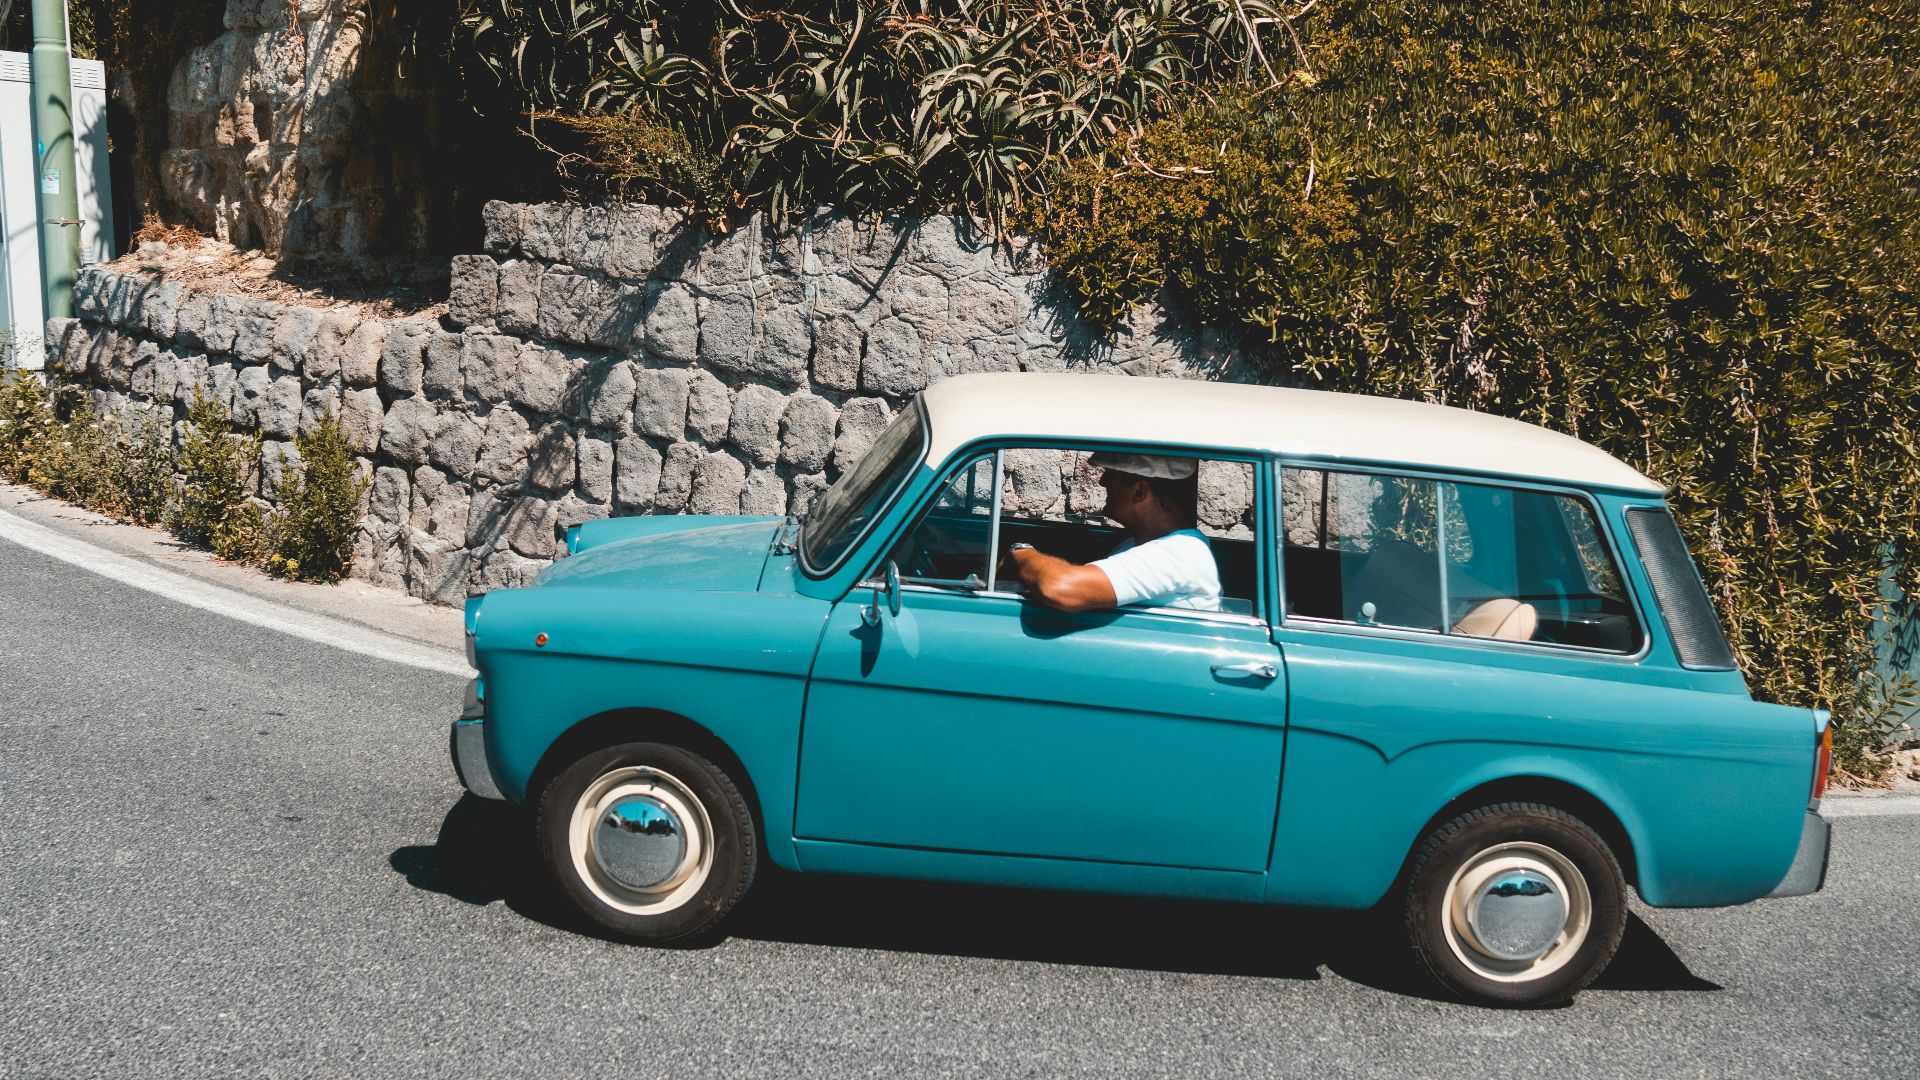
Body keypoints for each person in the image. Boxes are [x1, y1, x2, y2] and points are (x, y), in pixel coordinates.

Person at [1003, 452, 1222, 613]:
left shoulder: (1178, 554)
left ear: (1139, 492)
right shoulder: (1139, 546)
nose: (1102, 481)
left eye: (1111, 475)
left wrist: (1020, 553)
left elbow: (1060, 587)